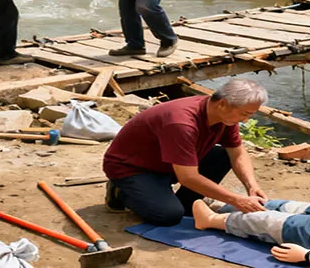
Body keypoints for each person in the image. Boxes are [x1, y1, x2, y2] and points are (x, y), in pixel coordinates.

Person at [103, 79, 269, 226]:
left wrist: (252, 186)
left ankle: (187, 203)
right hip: (133, 168)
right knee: (168, 215)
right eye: (244, 114)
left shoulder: (224, 117)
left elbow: (237, 153)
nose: (245, 120)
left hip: (169, 162)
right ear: (222, 104)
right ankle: (121, 192)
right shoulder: (181, 123)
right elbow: (188, 177)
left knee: (222, 156)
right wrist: (236, 200)